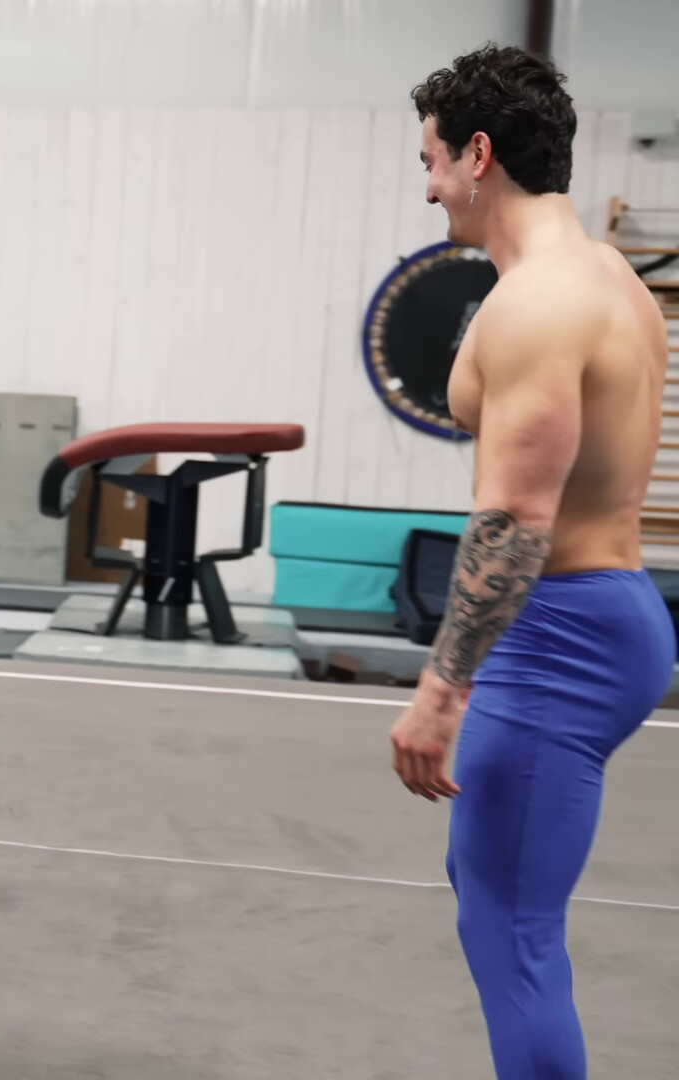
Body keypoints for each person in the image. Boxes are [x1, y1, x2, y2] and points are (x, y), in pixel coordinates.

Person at [391, 43, 675, 1078]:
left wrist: (441, 690)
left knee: (510, 928)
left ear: (479, 154)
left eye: (431, 161)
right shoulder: (610, 280)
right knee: (498, 904)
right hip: (608, 610)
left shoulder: (539, 301)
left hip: (562, 634)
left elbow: (515, 518)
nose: (428, 188)